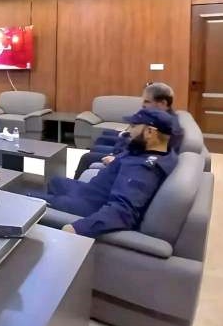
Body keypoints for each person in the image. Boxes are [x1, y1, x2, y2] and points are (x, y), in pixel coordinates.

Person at [33, 108, 178, 238]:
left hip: (91, 205)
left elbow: (123, 212)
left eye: (134, 126)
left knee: (29, 200)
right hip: (90, 191)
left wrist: (78, 228)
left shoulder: (144, 169)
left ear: (150, 132)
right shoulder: (150, 151)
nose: (129, 131)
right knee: (55, 181)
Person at [74, 82, 183, 178]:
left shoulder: (166, 127)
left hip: (129, 161)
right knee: (101, 140)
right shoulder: (160, 119)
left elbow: (148, 156)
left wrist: (117, 159)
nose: (143, 105)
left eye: (147, 101)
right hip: (127, 153)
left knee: (86, 157)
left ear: (163, 103)